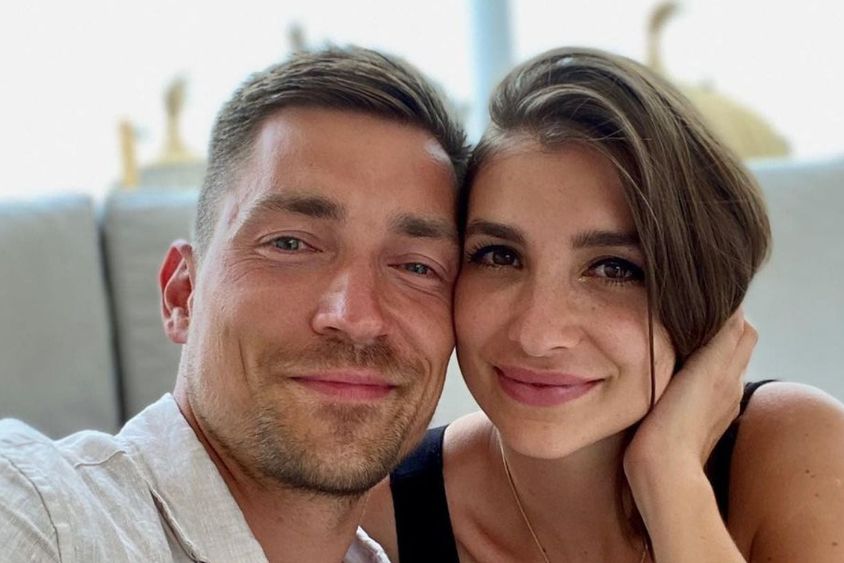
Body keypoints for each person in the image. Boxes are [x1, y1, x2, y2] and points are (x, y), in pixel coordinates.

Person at [361, 47, 844, 561]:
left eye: (614, 268)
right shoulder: (380, 516)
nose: (538, 335)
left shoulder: (796, 450)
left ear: (704, 293)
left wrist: (670, 480)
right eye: (499, 255)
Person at [0, 46, 469, 562]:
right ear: (182, 294)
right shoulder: (41, 513)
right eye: (290, 244)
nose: (356, 318)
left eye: (416, 267)